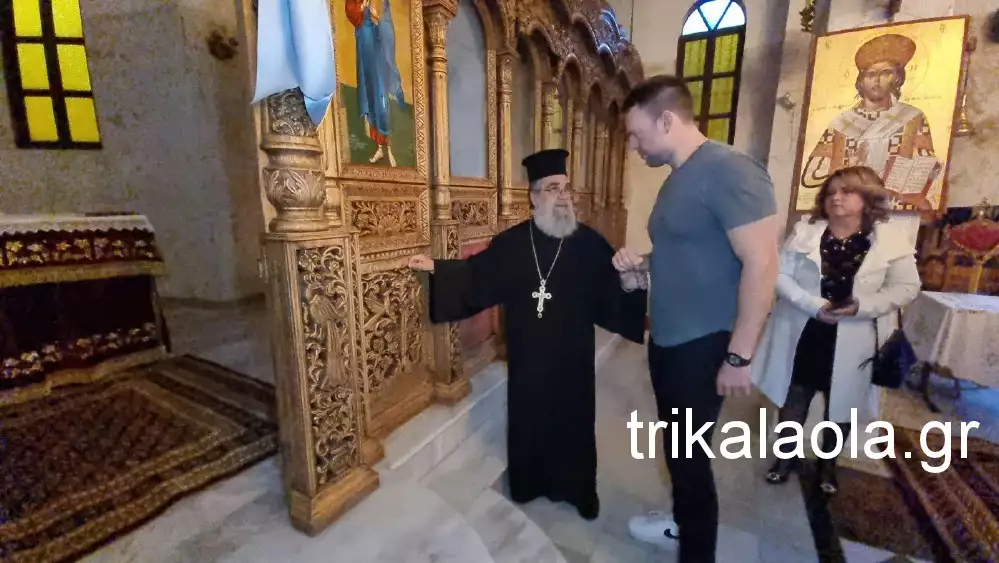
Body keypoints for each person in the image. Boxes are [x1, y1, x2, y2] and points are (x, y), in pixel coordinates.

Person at [407, 148, 648, 520]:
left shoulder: (588, 243)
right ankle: (528, 483)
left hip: (573, 357)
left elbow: (612, 294)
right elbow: (477, 276)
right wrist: (438, 268)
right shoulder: (512, 244)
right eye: (552, 188)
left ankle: (578, 491)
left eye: (566, 188)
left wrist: (630, 284)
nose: (563, 196)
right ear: (534, 197)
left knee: (574, 422)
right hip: (528, 354)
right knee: (529, 416)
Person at [613, 75, 779, 562]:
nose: (633, 146)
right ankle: (681, 524)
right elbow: (686, 252)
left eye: (636, 134)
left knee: (689, 460)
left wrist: (739, 356)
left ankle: (696, 550)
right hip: (669, 340)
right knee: (679, 450)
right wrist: (641, 268)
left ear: (666, 120)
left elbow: (762, 264)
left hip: (703, 344)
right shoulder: (677, 178)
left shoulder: (731, 170)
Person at [753, 166, 921, 493]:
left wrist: (861, 306)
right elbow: (779, 275)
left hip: (855, 335)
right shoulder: (806, 230)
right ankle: (785, 457)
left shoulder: (888, 238)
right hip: (804, 329)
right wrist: (812, 304)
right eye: (831, 192)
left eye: (847, 191)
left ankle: (828, 465)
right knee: (795, 396)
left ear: (868, 198)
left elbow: (907, 287)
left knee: (841, 404)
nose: (836, 198)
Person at [799, 33, 941, 210]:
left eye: (886, 73)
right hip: (849, 207)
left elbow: (926, 164)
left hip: (894, 209)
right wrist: (849, 169)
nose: (877, 80)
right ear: (860, 81)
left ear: (897, 78)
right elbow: (810, 176)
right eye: (871, 74)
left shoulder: (912, 118)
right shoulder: (842, 124)